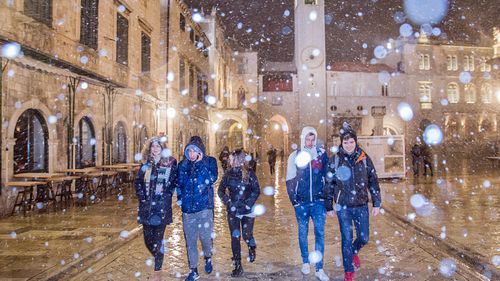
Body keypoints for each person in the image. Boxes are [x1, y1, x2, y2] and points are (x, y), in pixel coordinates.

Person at [325, 123, 381, 281]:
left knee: (364, 238)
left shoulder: (363, 158)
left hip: (361, 205)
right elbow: (329, 184)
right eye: (345, 142)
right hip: (343, 207)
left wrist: (376, 202)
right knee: (346, 239)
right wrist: (329, 205)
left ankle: (353, 252)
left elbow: (373, 180)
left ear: (355, 142)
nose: (349, 145)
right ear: (341, 143)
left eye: (351, 142)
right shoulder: (335, 160)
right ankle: (348, 272)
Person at [285, 127, 330, 281]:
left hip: (318, 202)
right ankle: (305, 261)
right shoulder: (295, 156)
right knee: (302, 233)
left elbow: (327, 177)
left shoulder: (321, 155)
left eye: (312, 139)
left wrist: (326, 197)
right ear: (303, 139)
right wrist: (294, 201)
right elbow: (290, 179)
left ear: (315, 139)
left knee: (320, 234)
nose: (310, 142)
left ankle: (319, 268)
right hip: (302, 203)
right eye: (307, 139)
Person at [177, 136, 218, 281]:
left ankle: (208, 257)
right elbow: (179, 184)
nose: (192, 154)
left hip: (204, 208)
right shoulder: (182, 165)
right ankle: (193, 270)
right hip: (188, 211)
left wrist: (201, 164)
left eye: (195, 151)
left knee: (206, 238)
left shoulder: (210, 162)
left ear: (201, 151)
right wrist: (180, 200)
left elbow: (212, 178)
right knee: (190, 241)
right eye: (190, 151)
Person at [134, 137, 178, 273]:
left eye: (158, 146)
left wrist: (166, 195)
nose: (155, 149)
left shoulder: (170, 163)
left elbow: (173, 182)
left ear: (162, 148)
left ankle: (157, 267)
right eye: (153, 147)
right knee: (148, 239)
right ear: (149, 149)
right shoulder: (146, 164)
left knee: (158, 238)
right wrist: (142, 198)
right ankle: (158, 254)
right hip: (147, 208)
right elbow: (138, 182)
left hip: (161, 208)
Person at [218, 149, 261, 277]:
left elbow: (256, 190)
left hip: (247, 211)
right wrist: (228, 203)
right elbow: (220, 191)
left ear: (238, 160)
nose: (229, 161)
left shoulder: (249, 173)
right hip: (233, 211)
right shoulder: (228, 174)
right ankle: (238, 265)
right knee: (235, 237)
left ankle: (251, 246)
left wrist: (248, 203)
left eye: (231, 159)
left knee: (246, 235)